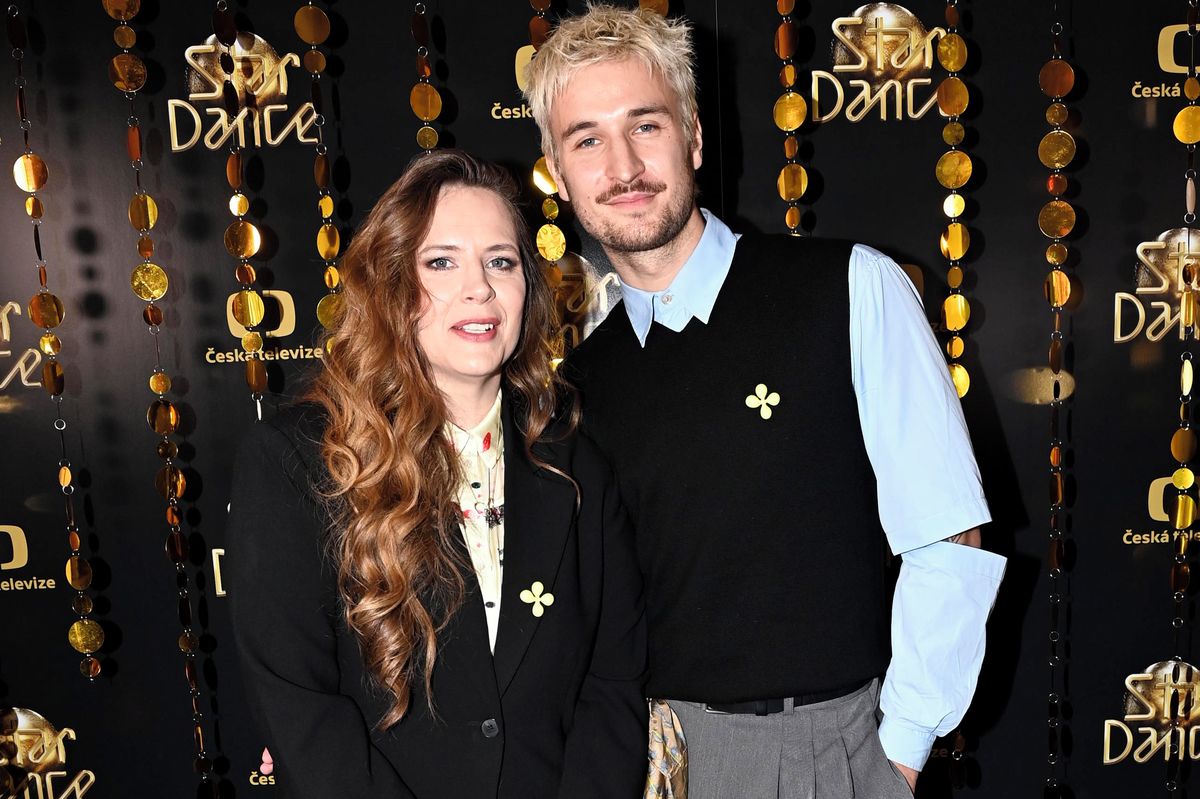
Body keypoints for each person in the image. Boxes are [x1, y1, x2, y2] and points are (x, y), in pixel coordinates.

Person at [525, 6, 1007, 798]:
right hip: (652, 759)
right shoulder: (576, 382)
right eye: (587, 140)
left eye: (645, 125)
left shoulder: (848, 286)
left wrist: (895, 756)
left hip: (831, 752)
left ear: (693, 136)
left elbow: (948, 531)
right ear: (557, 169)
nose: (623, 165)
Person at [226, 149, 647, 799]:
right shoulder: (296, 459)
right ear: (392, 283)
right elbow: (299, 706)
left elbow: (612, 682)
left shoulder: (577, 466)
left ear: (528, 287)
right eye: (442, 262)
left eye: (500, 261)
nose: (478, 288)